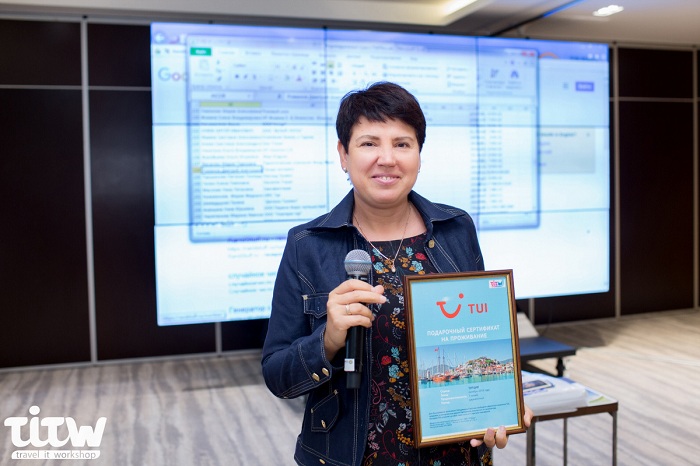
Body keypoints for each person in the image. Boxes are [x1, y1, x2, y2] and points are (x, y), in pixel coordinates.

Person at [262, 81, 532, 466]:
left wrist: (502, 403)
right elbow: (278, 375)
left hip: (455, 455)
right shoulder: (308, 245)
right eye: (369, 143)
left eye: (402, 144)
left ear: (419, 154)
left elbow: (483, 335)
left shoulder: (456, 229)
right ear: (343, 154)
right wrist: (329, 339)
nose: (387, 159)